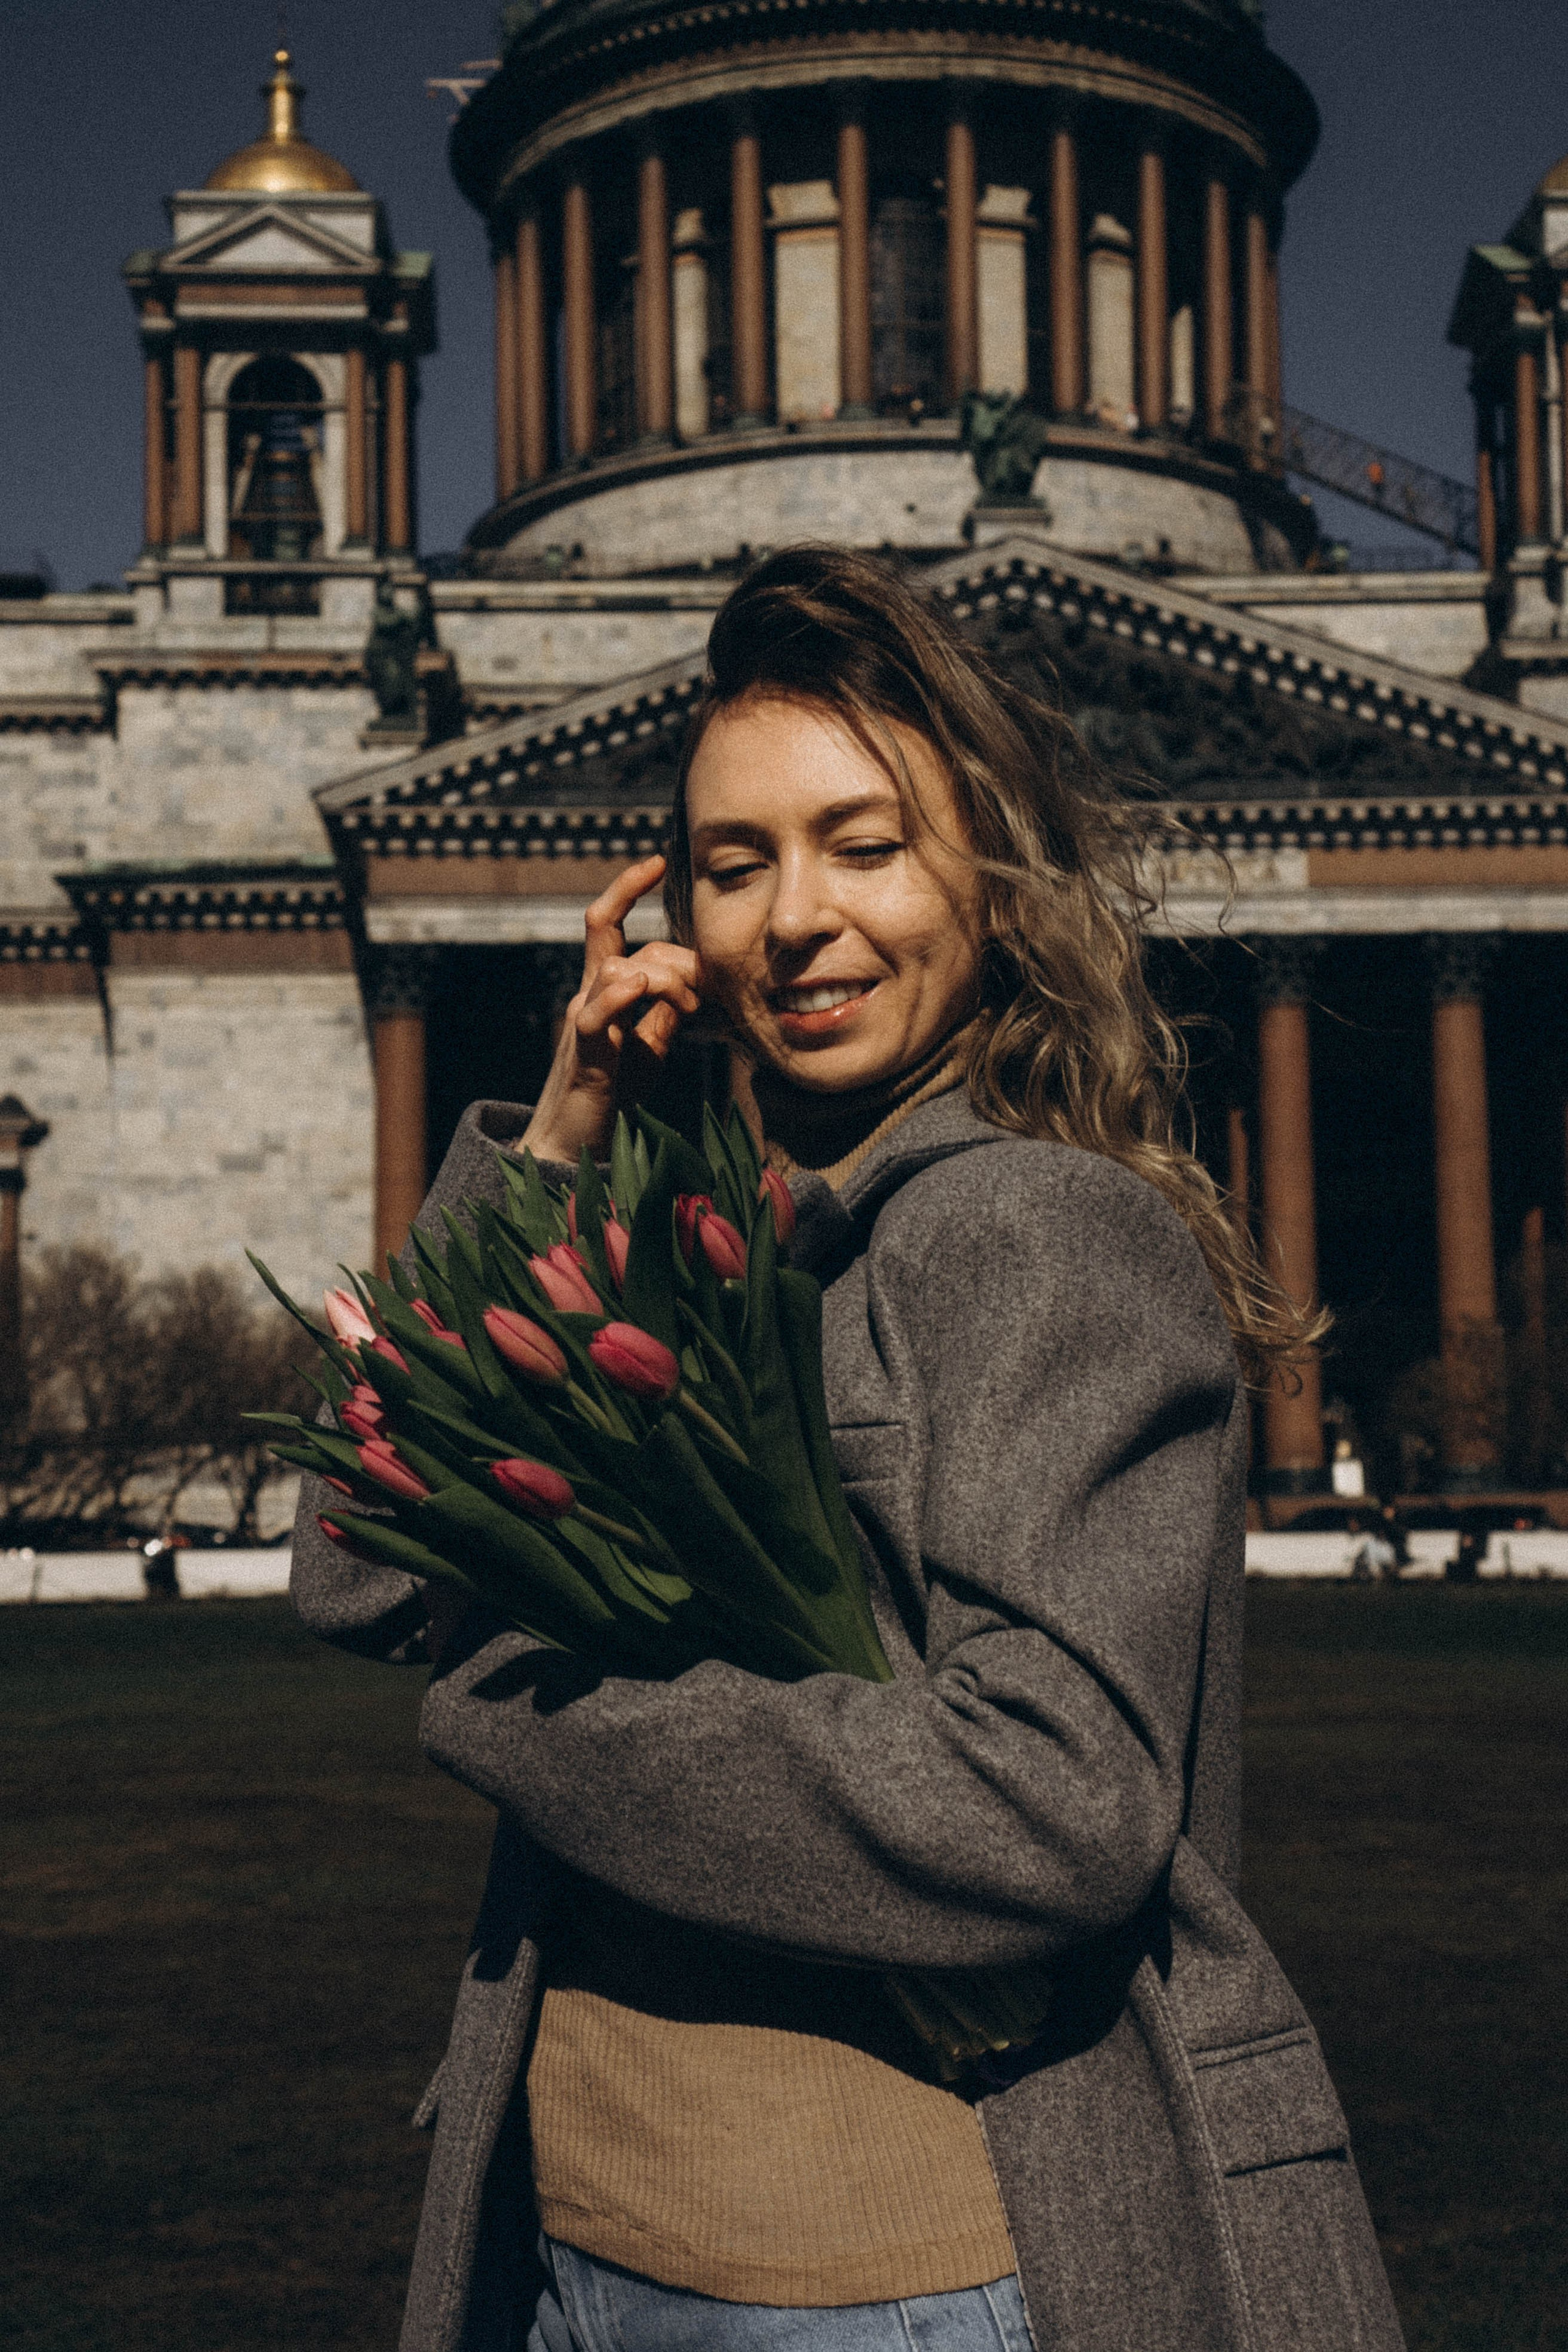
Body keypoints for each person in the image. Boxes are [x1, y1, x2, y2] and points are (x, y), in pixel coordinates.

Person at [292, 548, 1406, 2352]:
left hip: (872, 2274)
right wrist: (563, 1141)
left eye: (864, 845)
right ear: (674, 914)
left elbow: (1049, 1803)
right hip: (591, 2235)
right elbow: (349, 1569)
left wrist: (529, 1707)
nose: (795, 918)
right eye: (737, 866)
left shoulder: (1034, 1227)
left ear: (990, 878)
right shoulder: (706, 1239)